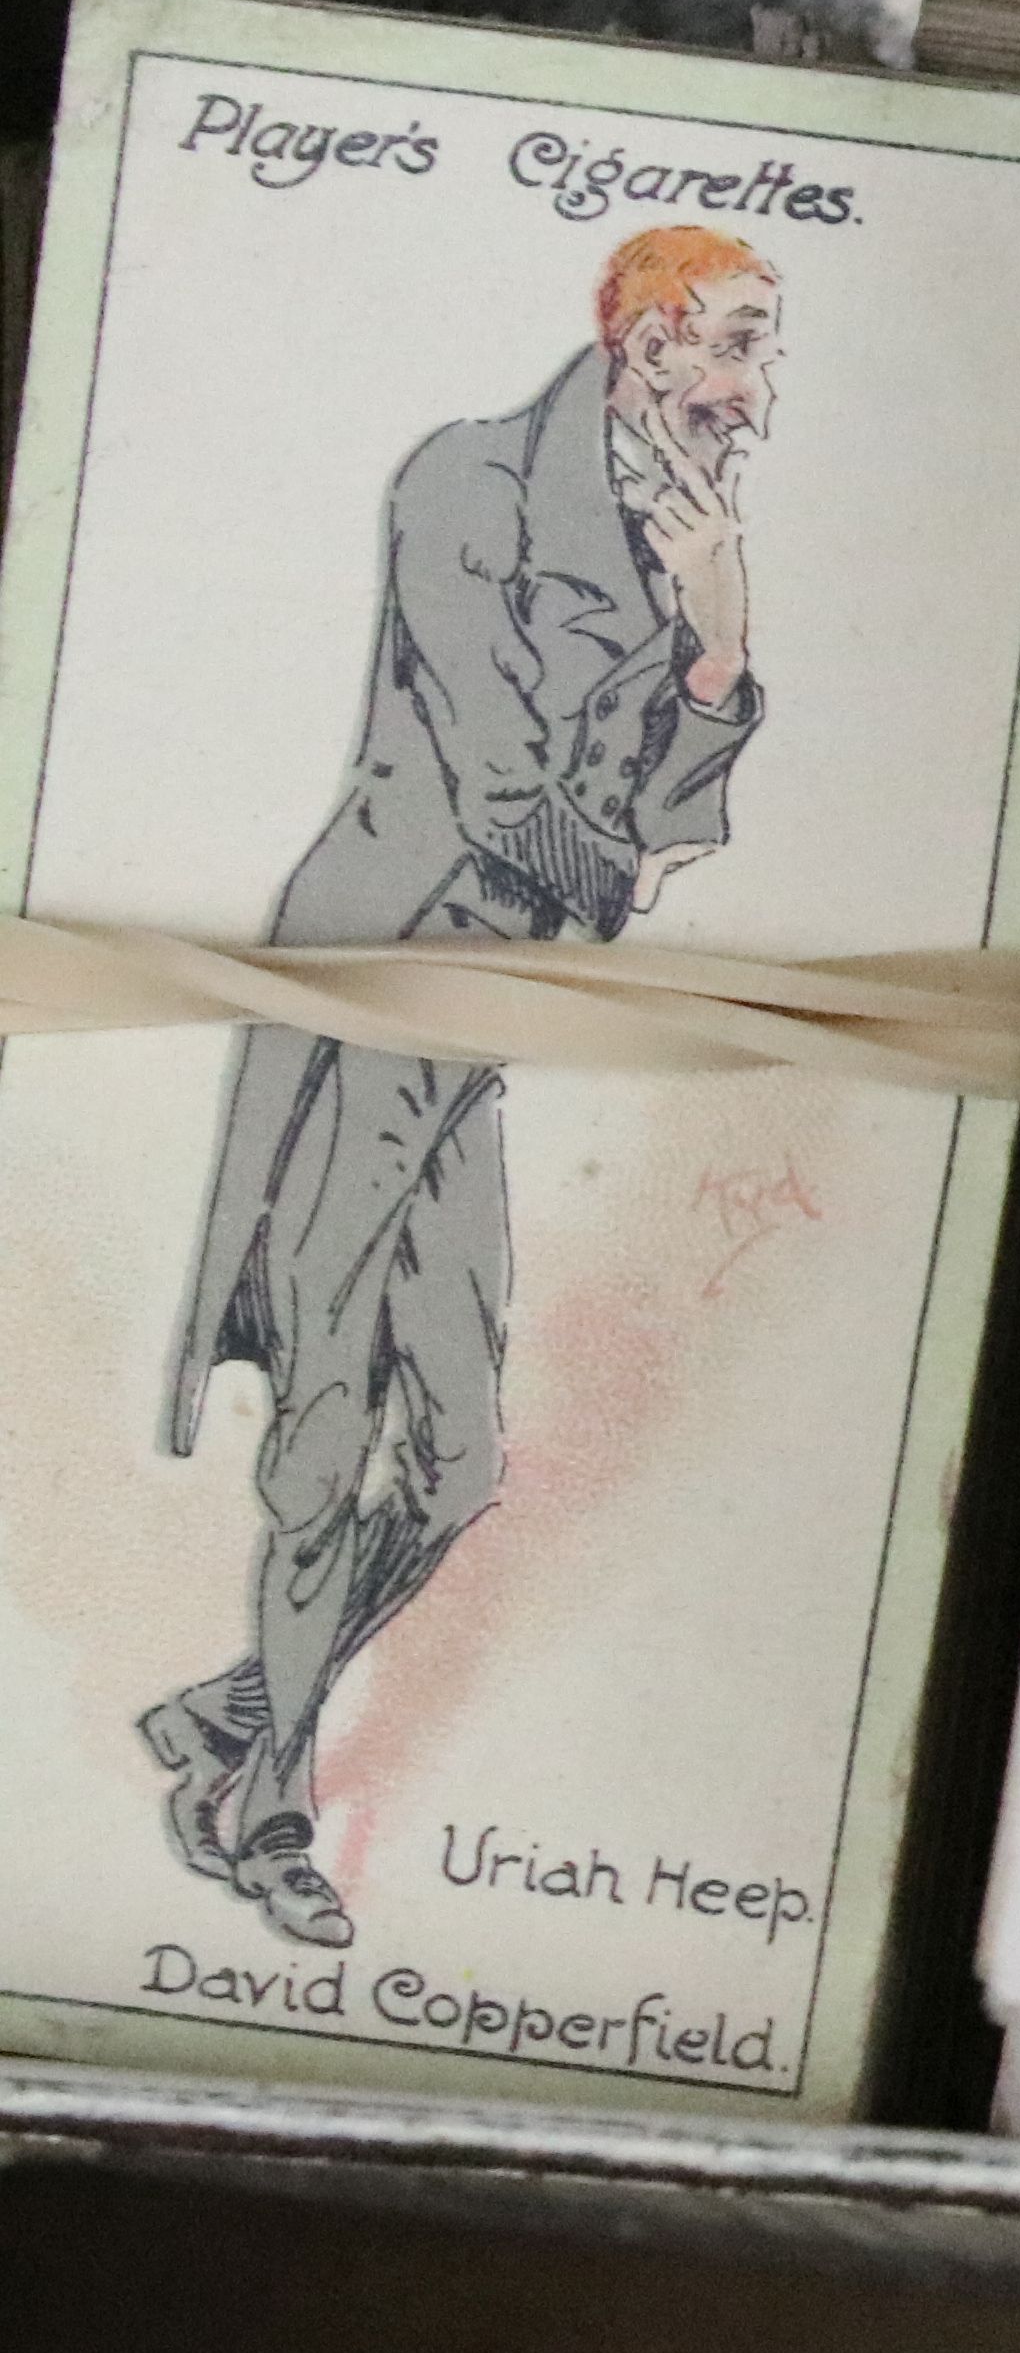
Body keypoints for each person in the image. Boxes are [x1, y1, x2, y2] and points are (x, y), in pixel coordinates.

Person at [145, 225, 780, 1945]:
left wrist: (718, 651)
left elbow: (670, 796)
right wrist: (629, 882)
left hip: (478, 1012)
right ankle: (255, 1804)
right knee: (329, 1425)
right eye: (728, 344)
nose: (753, 388)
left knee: (457, 1461)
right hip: (380, 974)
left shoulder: (683, 536)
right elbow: (504, 782)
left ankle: (230, 1710)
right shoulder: (471, 485)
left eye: (761, 349)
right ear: (643, 345)